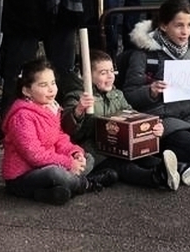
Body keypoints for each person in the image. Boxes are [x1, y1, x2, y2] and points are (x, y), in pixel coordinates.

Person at [121, 0, 190, 186]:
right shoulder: (144, 54)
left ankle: (181, 169)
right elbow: (129, 95)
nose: (185, 32)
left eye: (189, 25)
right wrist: (151, 91)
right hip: (160, 120)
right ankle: (175, 167)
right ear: (163, 26)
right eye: (179, 26)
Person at [0, 58, 118, 205]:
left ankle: (54, 192)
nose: (51, 89)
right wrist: (69, 163)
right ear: (26, 90)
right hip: (23, 175)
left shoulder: (52, 107)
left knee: (88, 158)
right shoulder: (21, 116)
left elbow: (60, 138)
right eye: (43, 85)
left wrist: (75, 153)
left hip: (51, 165)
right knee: (54, 173)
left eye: (53, 83)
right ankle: (86, 184)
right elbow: (34, 156)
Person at [61, 49, 177, 191]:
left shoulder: (117, 94)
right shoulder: (77, 97)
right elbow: (66, 129)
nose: (110, 76)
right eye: (103, 73)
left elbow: (132, 115)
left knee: (146, 158)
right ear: (86, 76)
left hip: (119, 145)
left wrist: (151, 125)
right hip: (93, 152)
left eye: (112, 70)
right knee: (123, 166)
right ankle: (156, 178)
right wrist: (78, 110)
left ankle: (180, 170)